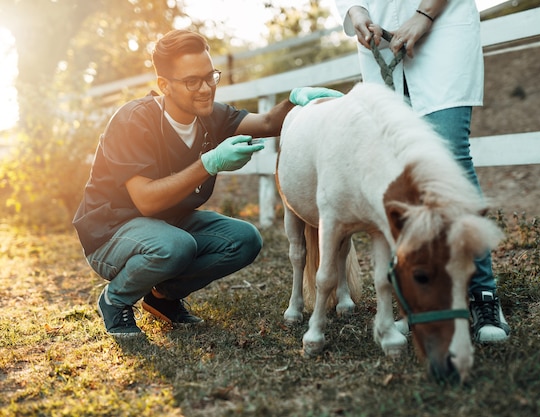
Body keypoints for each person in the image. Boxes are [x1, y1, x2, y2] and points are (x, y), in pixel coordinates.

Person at [73, 29, 342, 338]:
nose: (205, 89)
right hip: (110, 232)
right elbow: (146, 200)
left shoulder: (211, 117)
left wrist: (296, 101)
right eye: (192, 82)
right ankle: (115, 298)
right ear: (164, 86)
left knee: (244, 239)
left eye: (210, 77)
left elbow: (268, 123)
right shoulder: (134, 120)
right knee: (175, 246)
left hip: (166, 225)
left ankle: (162, 298)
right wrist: (209, 162)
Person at [334, 0, 510, 342]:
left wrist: (424, 14)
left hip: (444, 27)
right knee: (399, 167)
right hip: (383, 38)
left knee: (450, 157)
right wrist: (357, 11)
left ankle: (482, 295)